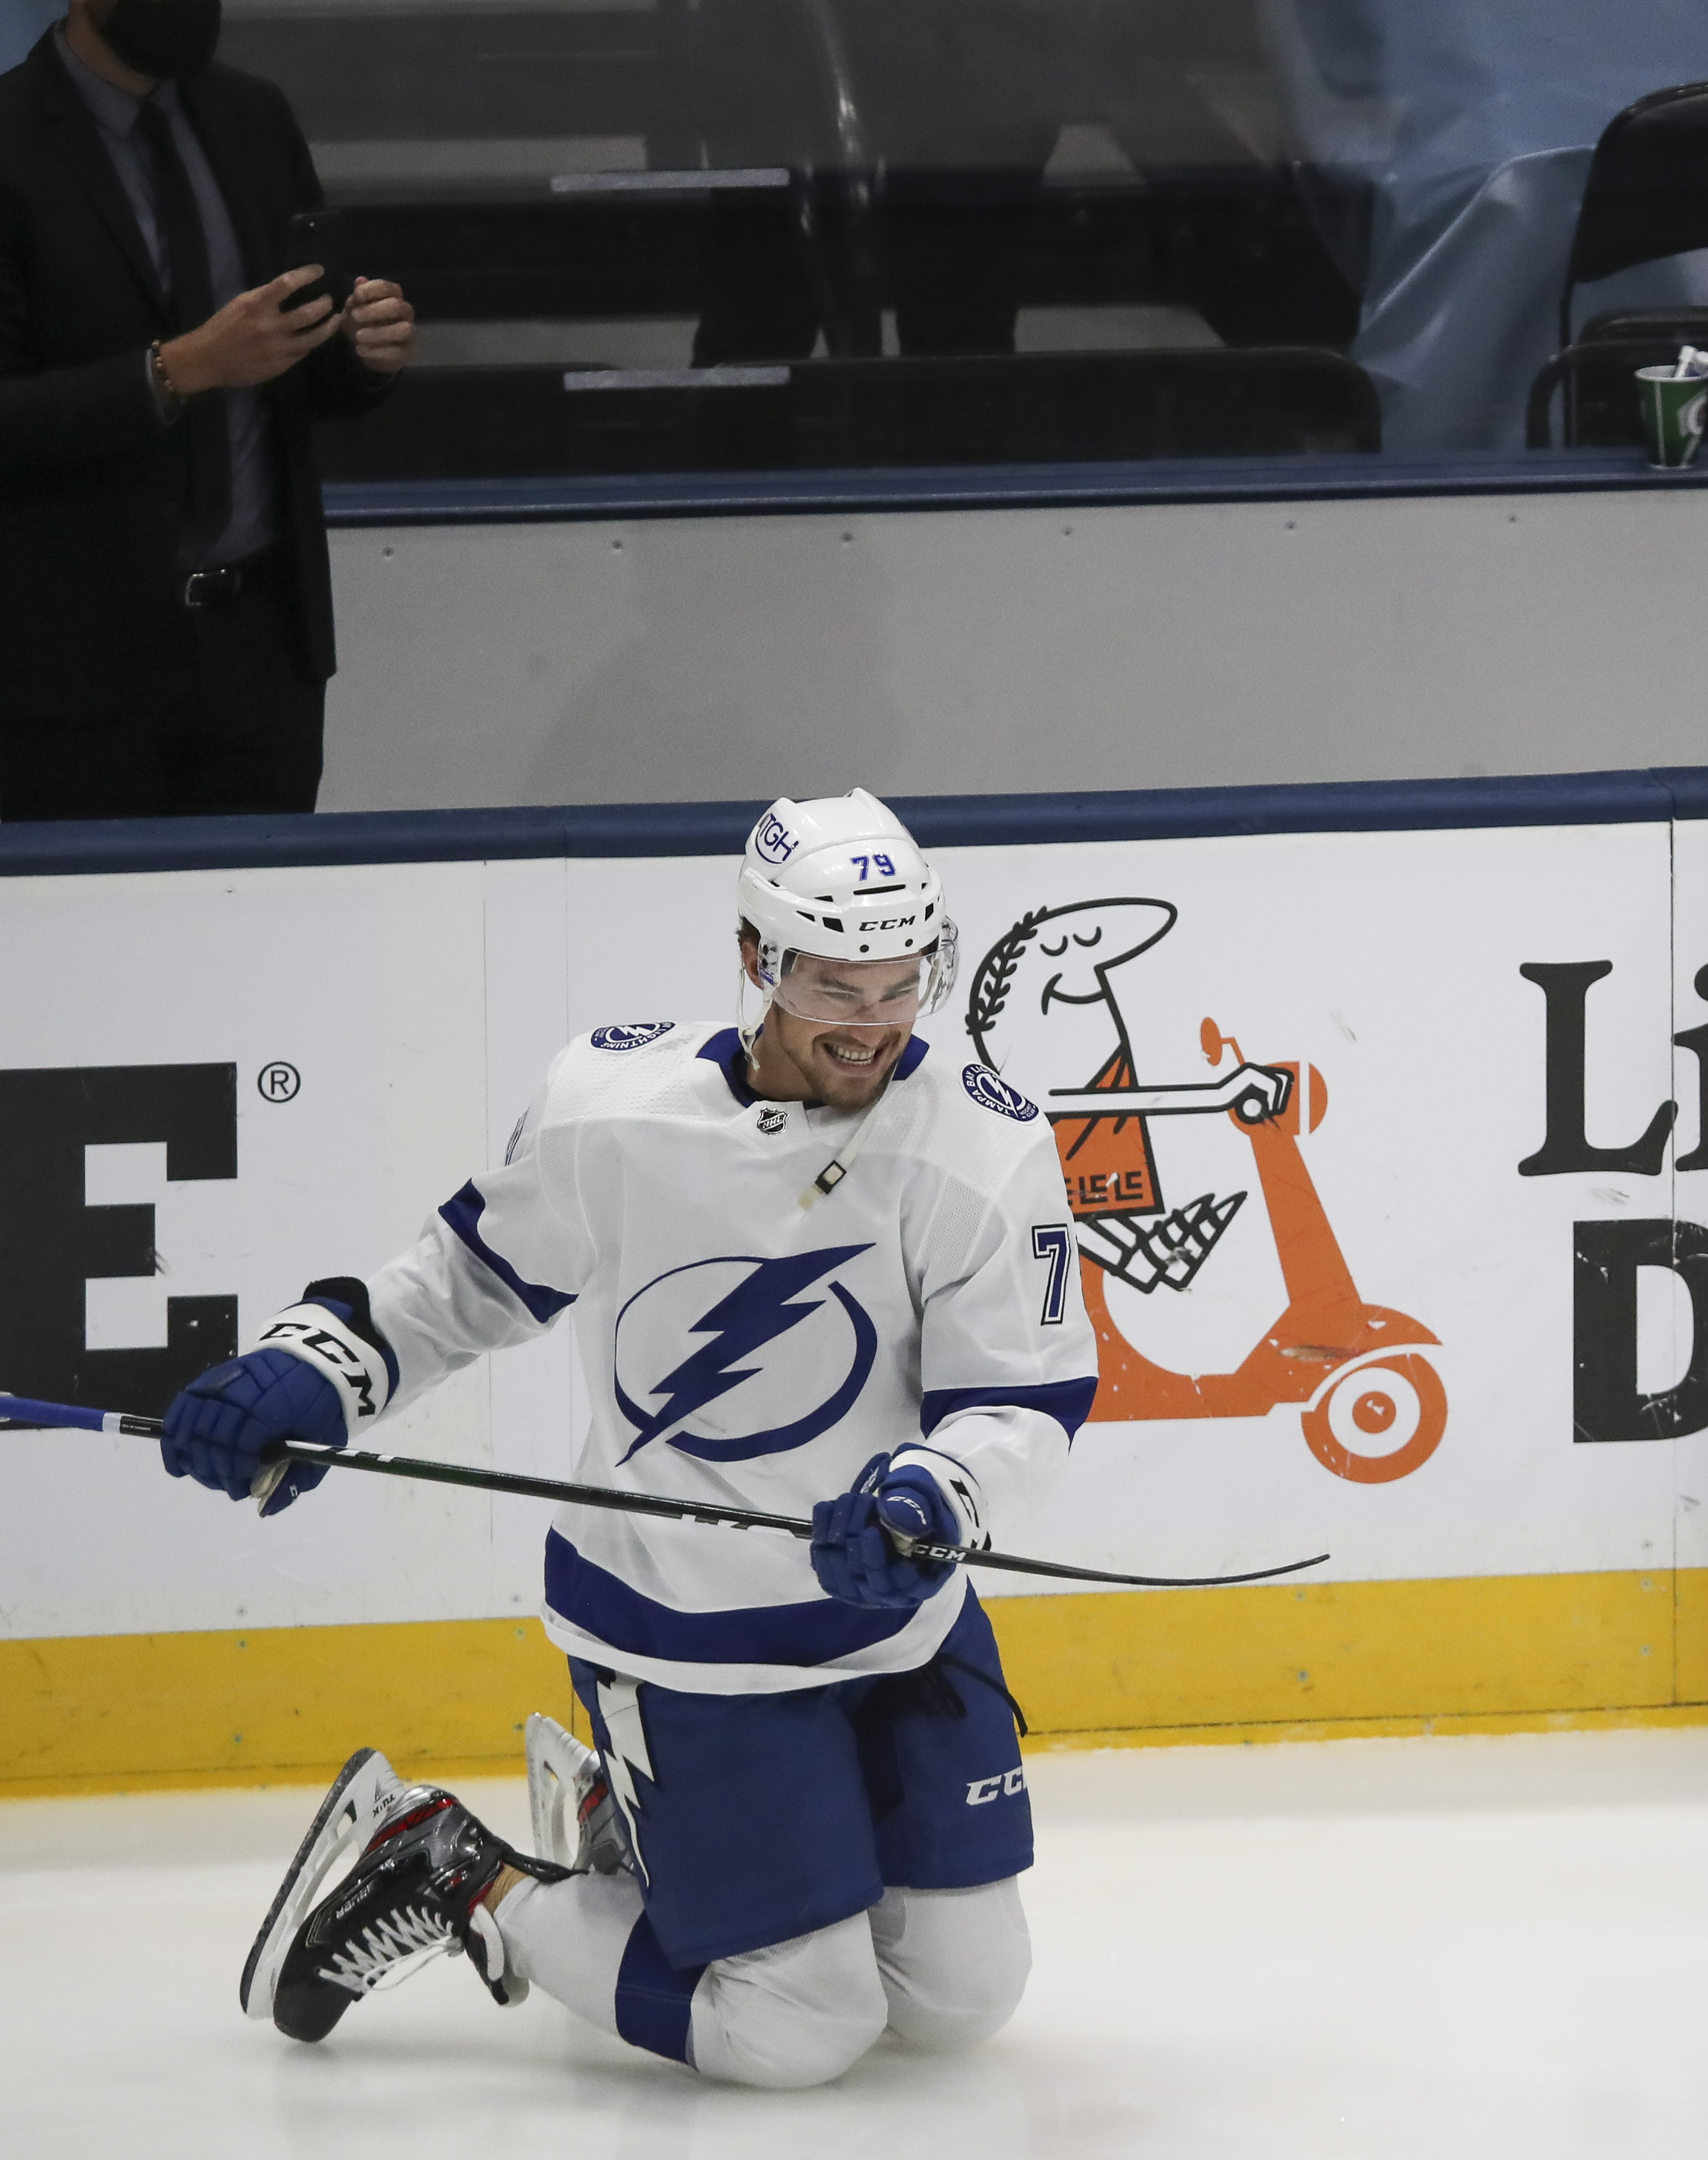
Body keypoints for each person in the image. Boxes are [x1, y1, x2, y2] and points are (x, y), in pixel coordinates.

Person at [158, 789, 1099, 2088]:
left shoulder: (980, 1146)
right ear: (757, 960)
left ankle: (616, 1816)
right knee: (795, 2031)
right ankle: (450, 1863)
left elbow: (1026, 1397)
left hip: (894, 1625)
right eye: (837, 986)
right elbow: (464, 1282)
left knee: (958, 1996)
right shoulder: (616, 1111)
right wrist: (317, 1363)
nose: (874, 1025)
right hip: (685, 1635)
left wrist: (940, 1491)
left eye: (901, 985)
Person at [0, 0, 417, 820]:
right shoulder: (9, 141)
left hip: (260, 646)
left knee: (267, 928)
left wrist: (364, 351)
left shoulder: (252, 116)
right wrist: (176, 371)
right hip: (71, 670)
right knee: (89, 940)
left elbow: (297, 362)